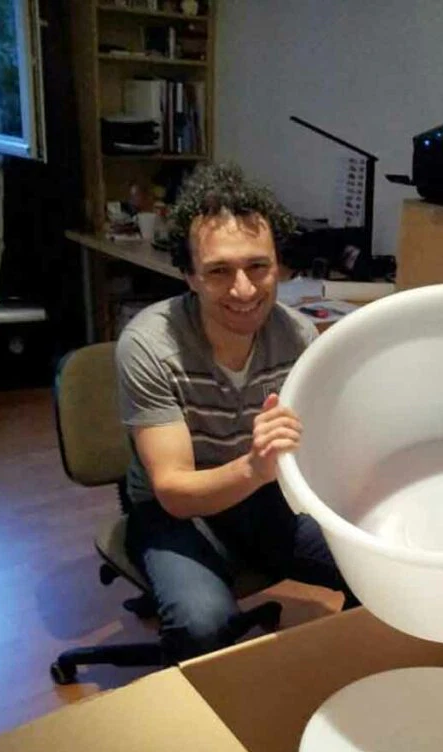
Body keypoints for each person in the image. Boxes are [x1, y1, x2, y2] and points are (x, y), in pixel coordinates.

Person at [116, 163, 358, 664]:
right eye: (219, 271)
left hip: (261, 496)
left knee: (371, 567)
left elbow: (313, 447)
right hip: (173, 510)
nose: (244, 289)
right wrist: (255, 466)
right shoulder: (150, 345)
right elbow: (174, 491)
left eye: (258, 267)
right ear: (189, 276)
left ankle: (352, 678)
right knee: (202, 624)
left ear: (279, 267)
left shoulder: (295, 336)